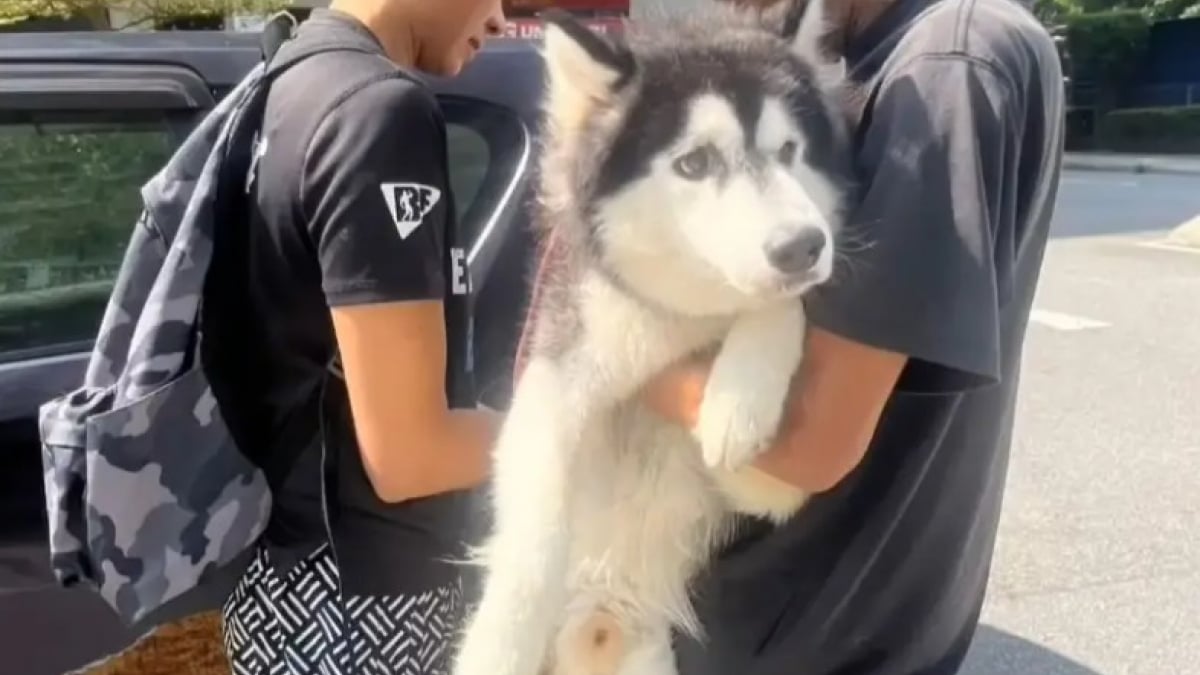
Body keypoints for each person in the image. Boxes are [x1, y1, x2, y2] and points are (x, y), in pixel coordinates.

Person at [632, 0, 1065, 672]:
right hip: (835, 624)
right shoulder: (908, 52)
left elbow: (812, 441)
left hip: (808, 632)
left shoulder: (947, 64)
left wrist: (614, 362)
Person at [216, 1, 506, 673]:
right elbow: (410, 454)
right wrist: (593, 428)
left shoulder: (287, 77)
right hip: (361, 608)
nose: (501, 17)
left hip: (282, 585)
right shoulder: (378, 111)